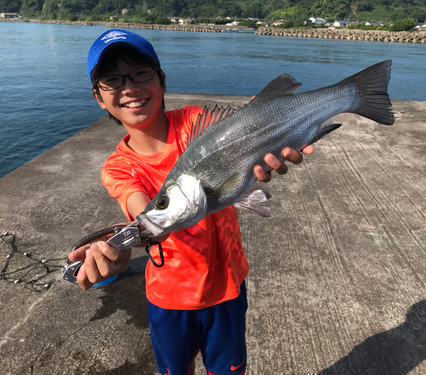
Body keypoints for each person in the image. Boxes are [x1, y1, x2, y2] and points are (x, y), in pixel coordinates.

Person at [68, 28, 313, 375]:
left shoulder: (195, 123)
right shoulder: (118, 168)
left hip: (228, 287)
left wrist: (265, 121)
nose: (129, 87)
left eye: (140, 73)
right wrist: (120, 246)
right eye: (112, 80)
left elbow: (237, 128)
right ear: (99, 97)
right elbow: (148, 214)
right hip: (169, 302)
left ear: (162, 81)